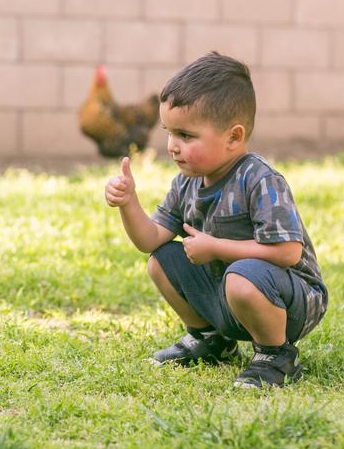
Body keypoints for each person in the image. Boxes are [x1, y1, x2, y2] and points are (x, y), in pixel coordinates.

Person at [104, 52, 327, 388]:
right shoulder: (187, 182)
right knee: (161, 260)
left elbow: (287, 253)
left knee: (241, 275)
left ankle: (276, 354)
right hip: (231, 292)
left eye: (186, 135)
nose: (172, 147)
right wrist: (128, 202)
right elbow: (150, 239)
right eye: (169, 132)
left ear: (234, 137)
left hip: (289, 300)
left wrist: (216, 247)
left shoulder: (260, 180)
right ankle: (210, 339)